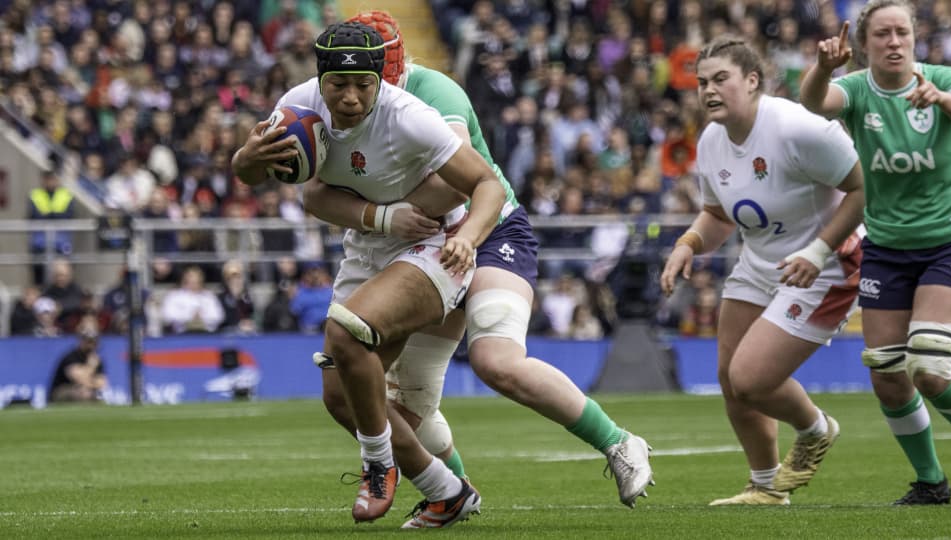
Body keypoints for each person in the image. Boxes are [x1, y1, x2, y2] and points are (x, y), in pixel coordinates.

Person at [304, 9, 653, 514]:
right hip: (416, 243)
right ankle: (455, 492)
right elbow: (311, 192)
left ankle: (618, 441)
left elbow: (457, 185)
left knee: (496, 360)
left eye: (373, 80)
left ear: (391, 70)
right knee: (405, 402)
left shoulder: (434, 93)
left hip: (485, 230)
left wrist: (386, 214)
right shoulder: (330, 100)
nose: (358, 95)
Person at [231, 22, 504, 528]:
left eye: (363, 85)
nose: (351, 97)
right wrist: (245, 159)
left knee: (346, 331)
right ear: (320, 78)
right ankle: (448, 492)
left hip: (433, 245)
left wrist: (469, 237)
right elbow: (261, 176)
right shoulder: (297, 107)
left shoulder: (411, 117)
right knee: (341, 398)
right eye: (339, 84)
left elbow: (487, 183)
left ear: (381, 81)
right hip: (365, 249)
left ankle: (377, 465)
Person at [661, 36, 866, 505]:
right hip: (760, 262)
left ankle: (816, 428)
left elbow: (862, 189)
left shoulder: (800, 127)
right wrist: (687, 244)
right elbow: (716, 216)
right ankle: (768, 486)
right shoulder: (712, 140)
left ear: (753, 82)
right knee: (730, 381)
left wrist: (818, 251)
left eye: (721, 79)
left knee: (751, 379)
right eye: (701, 82)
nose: (708, 90)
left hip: (826, 266)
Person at [799, 0, 951, 505]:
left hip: (948, 240)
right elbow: (813, 103)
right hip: (887, 247)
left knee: (930, 368)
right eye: (883, 35)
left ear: (915, 39)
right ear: (864, 45)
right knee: (888, 375)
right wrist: (824, 67)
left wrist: (943, 101)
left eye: (902, 33)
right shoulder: (856, 90)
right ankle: (931, 483)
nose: (894, 42)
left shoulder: (942, 77)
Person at [49, 318, 107, 403]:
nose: (91, 345)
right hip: (63, 390)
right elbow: (80, 379)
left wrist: (91, 384)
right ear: (81, 341)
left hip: (87, 389)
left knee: (95, 395)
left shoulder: (96, 358)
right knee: (82, 392)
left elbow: (102, 383)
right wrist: (91, 366)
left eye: (93, 342)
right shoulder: (71, 357)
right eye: (88, 341)